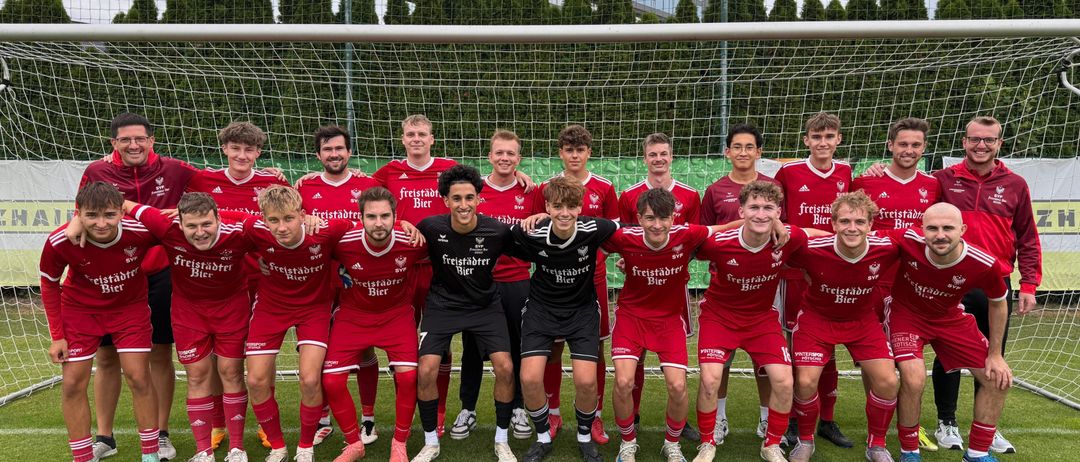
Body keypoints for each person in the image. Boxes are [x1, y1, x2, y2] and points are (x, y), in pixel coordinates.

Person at [79, 113, 197, 460]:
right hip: (112, 277)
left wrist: (274, 174)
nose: (134, 145)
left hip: (161, 273)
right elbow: (82, 212)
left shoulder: (176, 170)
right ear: (113, 144)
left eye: (140, 139)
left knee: (161, 351)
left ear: (152, 140)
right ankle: (105, 437)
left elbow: (225, 182)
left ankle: (160, 434)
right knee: (107, 355)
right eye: (125, 140)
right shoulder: (97, 172)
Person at [928, 116, 1040, 454]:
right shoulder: (942, 180)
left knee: (993, 355)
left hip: (995, 283)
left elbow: (1027, 238)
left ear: (999, 144)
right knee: (948, 353)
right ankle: (946, 423)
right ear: (964, 142)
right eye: (975, 139)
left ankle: (986, 428)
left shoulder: (1016, 184)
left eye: (988, 140)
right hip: (950, 280)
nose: (981, 145)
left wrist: (1030, 283)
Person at [128, 193, 255, 462]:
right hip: (189, 313)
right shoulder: (166, 227)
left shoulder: (237, 233)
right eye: (192, 226)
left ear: (218, 219)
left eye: (207, 224)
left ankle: (237, 449)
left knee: (230, 372)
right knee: (197, 376)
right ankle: (203, 452)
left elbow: (268, 224)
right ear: (180, 223)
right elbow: (124, 205)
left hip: (231, 310)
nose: (200, 233)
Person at [40, 182, 162, 462]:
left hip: (129, 310)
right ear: (78, 214)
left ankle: (151, 455)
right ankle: (83, 456)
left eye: (109, 215)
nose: (101, 223)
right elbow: (48, 284)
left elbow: (172, 223)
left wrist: (135, 207)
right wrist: (58, 335)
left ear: (121, 213)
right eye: (92, 215)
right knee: (72, 382)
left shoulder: (140, 231)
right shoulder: (60, 241)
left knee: (139, 376)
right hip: (80, 311)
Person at [886, 203, 1014, 462]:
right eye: (932, 228)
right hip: (906, 315)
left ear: (962, 230)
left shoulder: (983, 263)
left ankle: (977, 453)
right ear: (922, 229)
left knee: (996, 378)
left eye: (948, 228)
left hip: (949, 317)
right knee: (913, 378)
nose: (940, 234)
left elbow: (999, 301)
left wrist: (996, 354)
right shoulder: (907, 240)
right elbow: (856, 239)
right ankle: (909, 451)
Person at [691, 181, 806, 462]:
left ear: (778, 212)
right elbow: (683, 247)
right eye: (754, 207)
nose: (761, 214)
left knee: (784, 381)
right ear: (741, 210)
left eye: (768, 208)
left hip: (761, 320)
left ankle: (771, 444)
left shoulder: (790, 239)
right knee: (710, 380)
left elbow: (820, 236)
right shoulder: (718, 243)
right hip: (719, 317)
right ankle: (707, 443)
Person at [412, 165, 519, 462]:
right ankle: (431, 441)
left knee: (506, 368)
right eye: (456, 198)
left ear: (478, 199)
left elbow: (531, 249)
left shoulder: (497, 231)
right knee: (426, 368)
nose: (463, 205)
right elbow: (401, 244)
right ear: (446, 200)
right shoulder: (430, 227)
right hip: (442, 305)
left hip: (485, 306)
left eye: (469, 198)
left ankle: (501, 439)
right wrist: (404, 227)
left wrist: (538, 218)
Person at [786, 191, 900, 462]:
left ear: (871, 224)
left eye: (860, 222)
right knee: (805, 381)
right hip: (817, 320)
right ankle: (805, 440)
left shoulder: (887, 247)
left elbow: (926, 241)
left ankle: (877, 445)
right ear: (834, 224)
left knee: (888, 381)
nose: (852, 228)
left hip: (861, 321)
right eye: (845, 221)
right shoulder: (811, 249)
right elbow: (782, 246)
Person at [512, 177, 620, 462]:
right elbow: (494, 237)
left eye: (571, 206)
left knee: (586, 381)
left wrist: (628, 259)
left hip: (581, 312)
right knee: (529, 377)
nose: (564, 213)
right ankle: (543, 436)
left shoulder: (595, 228)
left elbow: (629, 235)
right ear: (547, 206)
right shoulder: (531, 232)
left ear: (580, 207)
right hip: (541, 310)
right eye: (557, 206)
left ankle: (584, 437)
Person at [242, 185, 353, 462]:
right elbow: (222, 217)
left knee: (310, 378)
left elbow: (369, 221)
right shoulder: (255, 229)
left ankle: (305, 447)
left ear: (303, 215)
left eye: (289, 218)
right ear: (263, 219)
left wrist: (404, 224)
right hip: (271, 308)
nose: (281, 227)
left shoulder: (326, 231)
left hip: (313, 309)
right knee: (255, 380)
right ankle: (278, 447)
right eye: (273, 220)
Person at [605, 188, 714, 462]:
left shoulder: (687, 234)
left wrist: (773, 224)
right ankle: (627, 442)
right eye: (650, 218)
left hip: (668, 320)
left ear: (674, 217)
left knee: (678, 386)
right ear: (639, 218)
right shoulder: (623, 237)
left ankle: (672, 443)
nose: (657, 225)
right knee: (623, 381)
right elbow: (585, 231)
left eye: (663, 218)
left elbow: (724, 229)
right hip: (632, 317)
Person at [852, 118, 941, 451]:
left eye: (916, 145)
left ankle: (909, 425)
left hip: (913, 286)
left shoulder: (933, 186)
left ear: (924, 148)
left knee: (909, 361)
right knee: (875, 360)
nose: (909, 150)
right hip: (874, 282)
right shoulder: (865, 182)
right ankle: (877, 424)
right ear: (890, 145)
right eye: (902, 144)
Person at [323, 187, 427, 462]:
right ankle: (353, 443)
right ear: (361, 218)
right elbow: (306, 246)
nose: (378, 223)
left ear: (395, 216)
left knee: (407, 377)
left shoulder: (413, 241)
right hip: (353, 315)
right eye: (371, 217)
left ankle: (399, 443)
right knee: (332, 381)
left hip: (396, 315)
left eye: (385, 216)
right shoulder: (343, 241)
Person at [532, 125, 620, 445]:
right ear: (561, 153)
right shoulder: (546, 187)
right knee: (553, 348)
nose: (574, 155)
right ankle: (553, 412)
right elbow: (534, 227)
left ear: (588, 153)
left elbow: (614, 231)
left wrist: (596, 256)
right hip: (553, 283)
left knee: (595, 349)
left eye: (580, 150)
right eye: (569, 149)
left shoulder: (604, 188)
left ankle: (593, 417)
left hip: (592, 281)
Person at [372, 115, 459, 434]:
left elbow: (481, 188)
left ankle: (437, 414)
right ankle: (406, 406)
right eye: (411, 134)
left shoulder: (450, 168)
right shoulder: (387, 173)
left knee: (441, 340)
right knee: (404, 342)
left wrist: (518, 173)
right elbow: (365, 202)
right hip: (402, 268)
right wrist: (399, 225)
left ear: (432, 139)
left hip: (441, 267)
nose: (417, 139)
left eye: (422, 134)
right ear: (403, 138)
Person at [772, 112, 853, 448]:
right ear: (806, 140)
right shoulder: (788, 173)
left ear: (838, 140)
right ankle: (793, 419)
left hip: (834, 274)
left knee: (829, 348)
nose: (823, 143)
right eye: (816, 137)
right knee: (795, 349)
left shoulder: (847, 173)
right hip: (796, 274)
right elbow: (778, 221)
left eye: (829, 136)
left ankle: (828, 421)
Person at [614, 133, 702, 443]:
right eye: (653, 154)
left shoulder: (690, 195)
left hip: (673, 292)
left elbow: (694, 241)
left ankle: (680, 424)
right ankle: (632, 416)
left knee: (676, 368)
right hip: (638, 291)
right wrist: (629, 260)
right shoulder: (629, 195)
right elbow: (625, 236)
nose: (659, 159)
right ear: (645, 158)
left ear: (671, 156)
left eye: (664, 153)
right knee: (631, 361)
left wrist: (673, 260)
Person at [297, 125, 381, 445]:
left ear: (349, 152)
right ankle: (323, 417)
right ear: (318, 155)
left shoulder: (369, 185)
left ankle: (369, 418)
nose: (334, 154)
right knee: (319, 350)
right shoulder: (303, 188)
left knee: (364, 348)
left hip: (358, 278)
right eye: (327, 150)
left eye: (339, 149)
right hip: (318, 279)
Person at [453, 130, 537, 441]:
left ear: (519, 158)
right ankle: (468, 408)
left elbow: (555, 211)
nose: (504, 158)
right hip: (478, 280)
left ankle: (516, 408)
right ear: (490, 156)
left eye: (510, 154)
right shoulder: (473, 190)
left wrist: (540, 212)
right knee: (473, 348)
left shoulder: (532, 192)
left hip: (517, 281)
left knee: (516, 347)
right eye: (499, 153)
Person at [698, 123, 780, 442]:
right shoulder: (716, 190)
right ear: (727, 151)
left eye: (750, 147)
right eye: (737, 146)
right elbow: (704, 237)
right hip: (725, 288)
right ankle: (718, 418)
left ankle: (765, 418)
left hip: (763, 288)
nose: (743, 152)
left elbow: (786, 230)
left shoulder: (773, 185)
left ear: (759, 153)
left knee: (765, 361)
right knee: (721, 361)